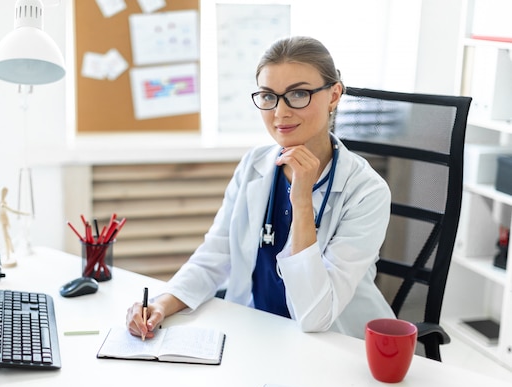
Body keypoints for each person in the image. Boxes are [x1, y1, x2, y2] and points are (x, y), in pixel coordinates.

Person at [126, 36, 395, 340]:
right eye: (268, 96)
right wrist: (162, 303)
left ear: (334, 95)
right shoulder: (255, 164)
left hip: (335, 345)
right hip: (258, 332)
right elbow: (216, 254)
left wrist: (302, 201)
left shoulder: (366, 191)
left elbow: (315, 316)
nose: (280, 112)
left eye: (298, 94)